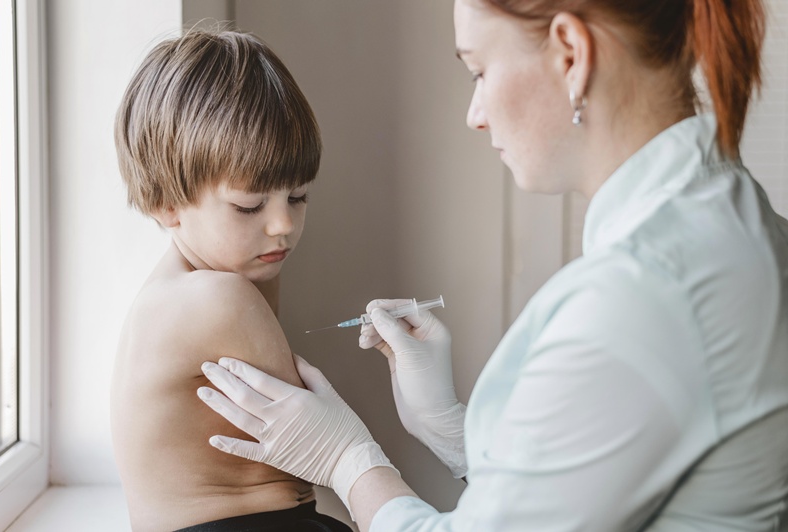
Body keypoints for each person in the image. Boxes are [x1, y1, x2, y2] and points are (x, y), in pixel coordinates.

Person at [197, 0, 788, 530]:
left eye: (479, 71)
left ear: (570, 55)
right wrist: (450, 428)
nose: (474, 114)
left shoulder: (647, 293)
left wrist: (346, 459)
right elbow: (594, 482)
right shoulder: (727, 219)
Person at [110, 29, 354, 532]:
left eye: (299, 196)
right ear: (166, 206)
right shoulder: (220, 298)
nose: (282, 223)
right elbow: (318, 455)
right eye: (249, 205)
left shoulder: (197, 281)